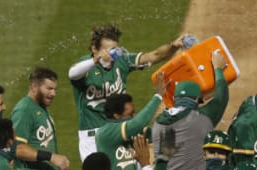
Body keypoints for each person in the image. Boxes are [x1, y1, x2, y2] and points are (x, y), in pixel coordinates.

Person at [69, 24, 192, 161]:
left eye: (115, 49)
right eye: (108, 50)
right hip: (92, 137)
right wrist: (95, 61)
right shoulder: (84, 67)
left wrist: (173, 46)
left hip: (119, 130)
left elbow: (154, 55)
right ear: (94, 49)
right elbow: (72, 73)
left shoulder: (121, 61)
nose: (113, 54)